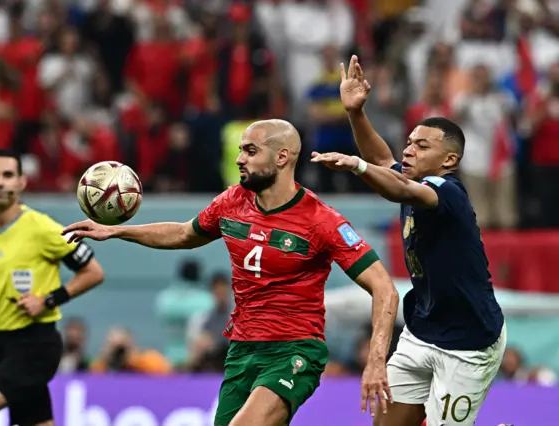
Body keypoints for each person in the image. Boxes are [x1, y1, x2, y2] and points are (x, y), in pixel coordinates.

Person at [63, 118, 400, 426]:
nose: (240, 159)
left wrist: (376, 360)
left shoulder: (321, 221)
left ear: (282, 158)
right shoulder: (232, 202)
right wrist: (119, 231)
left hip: (294, 352)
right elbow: (183, 234)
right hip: (241, 351)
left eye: (251, 151)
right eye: (240, 150)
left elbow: (385, 288)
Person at [311, 56, 506, 426]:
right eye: (410, 142)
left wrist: (356, 166)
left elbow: (396, 184)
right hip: (422, 329)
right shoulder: (411, 178)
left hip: (468, 342)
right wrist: (355, 113)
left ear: (449, 159)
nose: (408, 150)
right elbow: (384, 160)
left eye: (422, 146)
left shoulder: (447, 193)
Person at [0, 149, 105, 426]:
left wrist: (48, 300)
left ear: (21, 182)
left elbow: (93, 272)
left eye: (8, 175)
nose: (1, 182)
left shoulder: (42, 228)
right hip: (4, 344)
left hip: (37, 344)